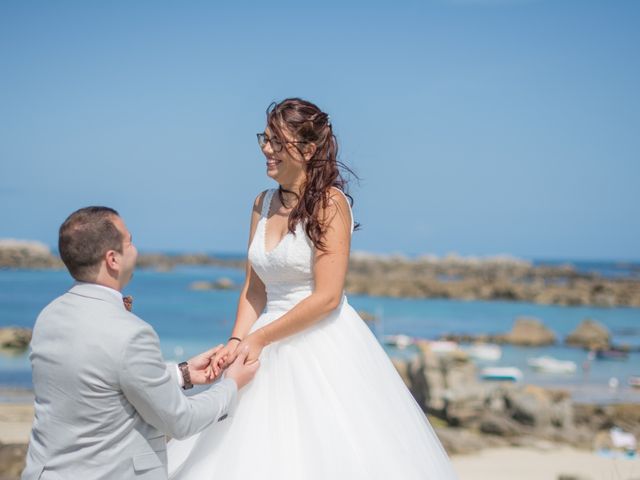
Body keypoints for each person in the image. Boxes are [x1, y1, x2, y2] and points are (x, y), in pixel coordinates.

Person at [167, 98, 458, 479]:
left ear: (306, 149)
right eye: (265, 139)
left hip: (320, 340)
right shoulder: (261, 203)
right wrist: (237, 341)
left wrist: (261, 339)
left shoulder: (329, 204)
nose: (266, 149)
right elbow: (255, 287)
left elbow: (327, 297)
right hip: (261, 341)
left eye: (276, 141)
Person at [22, 207, 259, 480]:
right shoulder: (131, 333)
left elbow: (99, 379)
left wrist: (182, 374)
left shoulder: (49, 316)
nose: (135, 250)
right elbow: (181, 421)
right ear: (112, 259)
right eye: (130, 242)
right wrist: (232, 385)